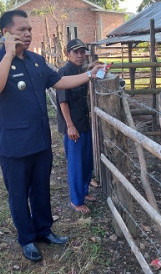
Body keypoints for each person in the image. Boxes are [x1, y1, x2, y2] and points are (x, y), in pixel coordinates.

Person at [0, 10, 104, 262]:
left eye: (29, 30)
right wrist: (8, 54)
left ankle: (44, 230)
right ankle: (26, 239)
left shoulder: (36, 60)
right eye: (21, 30)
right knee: (18, 194)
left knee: (40, 190)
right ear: (6, 33)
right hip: (13, 145)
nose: (27, 34)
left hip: (40, 141)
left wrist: (89, 75)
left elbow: (60, 81)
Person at [56, 39, 97, 214]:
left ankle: (84, 191)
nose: (80, 55)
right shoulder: (64, 73)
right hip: (73, 125)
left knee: (88, 161)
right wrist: (70, 126)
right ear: (67, 54)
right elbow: (62, 102)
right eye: (76, 52)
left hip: (84, 122)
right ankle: (76, 200)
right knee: (76, 163)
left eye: (82, 52)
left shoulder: (82, 71)